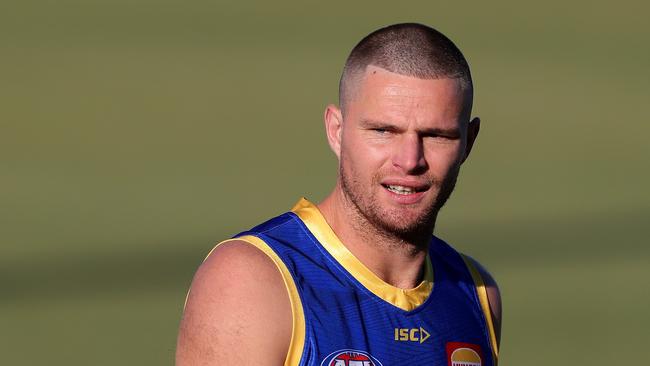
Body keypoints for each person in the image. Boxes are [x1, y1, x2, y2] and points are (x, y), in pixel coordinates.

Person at [176, 23, 501, 366]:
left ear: (469, 141)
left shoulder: (476, 294)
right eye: (383, 131)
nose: (409, 161)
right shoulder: (252, 281)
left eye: (435, 135)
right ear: (336, 130)